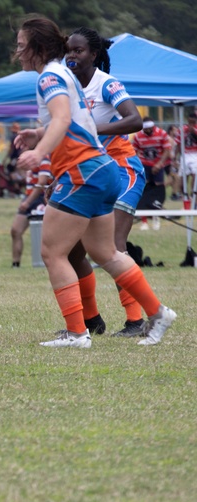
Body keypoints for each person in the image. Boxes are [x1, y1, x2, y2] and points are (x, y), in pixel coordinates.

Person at [13, 14, 175, 348]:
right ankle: (158, 313)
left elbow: (62, 118)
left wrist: (39, 150)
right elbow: (76, 120)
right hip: (103, 169)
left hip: (82, 171)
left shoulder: (49, 77)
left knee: (52, 252)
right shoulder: (65, 75)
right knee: (106, 252)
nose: (17, 53)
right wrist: (38, 133)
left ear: (37, 47)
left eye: (20, 46)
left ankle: (77, 333)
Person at [66, 26, 149, 337]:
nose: (71, 56)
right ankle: (92, 320)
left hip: (123, 170)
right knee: (73, 251)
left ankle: (136, 320)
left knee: (112, 246)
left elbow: (135, 119)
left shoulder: (107, 84)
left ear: (94, 55)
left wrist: (92, 129)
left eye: (78, 50)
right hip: (94, 174)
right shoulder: (69, 87)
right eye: (68, 51)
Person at [131, 116, 174, 229]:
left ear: (153, 127)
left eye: (150, 129)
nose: (148, 131)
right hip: (144, 166)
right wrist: (139, 165)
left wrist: (159, 164)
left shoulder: (162, 134)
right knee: (145, 192)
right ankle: (144, 221)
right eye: (145, 130)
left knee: (157, 192)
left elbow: (167, 150)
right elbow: (133, 152)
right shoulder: (138, 136)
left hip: (158, 166)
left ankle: (156, 218)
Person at [10, 155, 51, 267]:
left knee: (47, 235)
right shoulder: (31, 157)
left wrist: (28, 202)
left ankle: (45, 262)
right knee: (15, 230)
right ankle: (15, 264)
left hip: (40, 198)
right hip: (29, 196)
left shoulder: (44, 157)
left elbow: (42, 182)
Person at [181, 112, 197, 200]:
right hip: (185, 154)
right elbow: (179, 143)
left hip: (195, 154)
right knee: (183, 177)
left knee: (195, 175)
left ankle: (193, 194)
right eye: (189, 122)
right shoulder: (182, 129)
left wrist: (194, 132)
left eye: (193, 123)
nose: (191, 124)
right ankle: (185, 195)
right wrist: (176, 157)